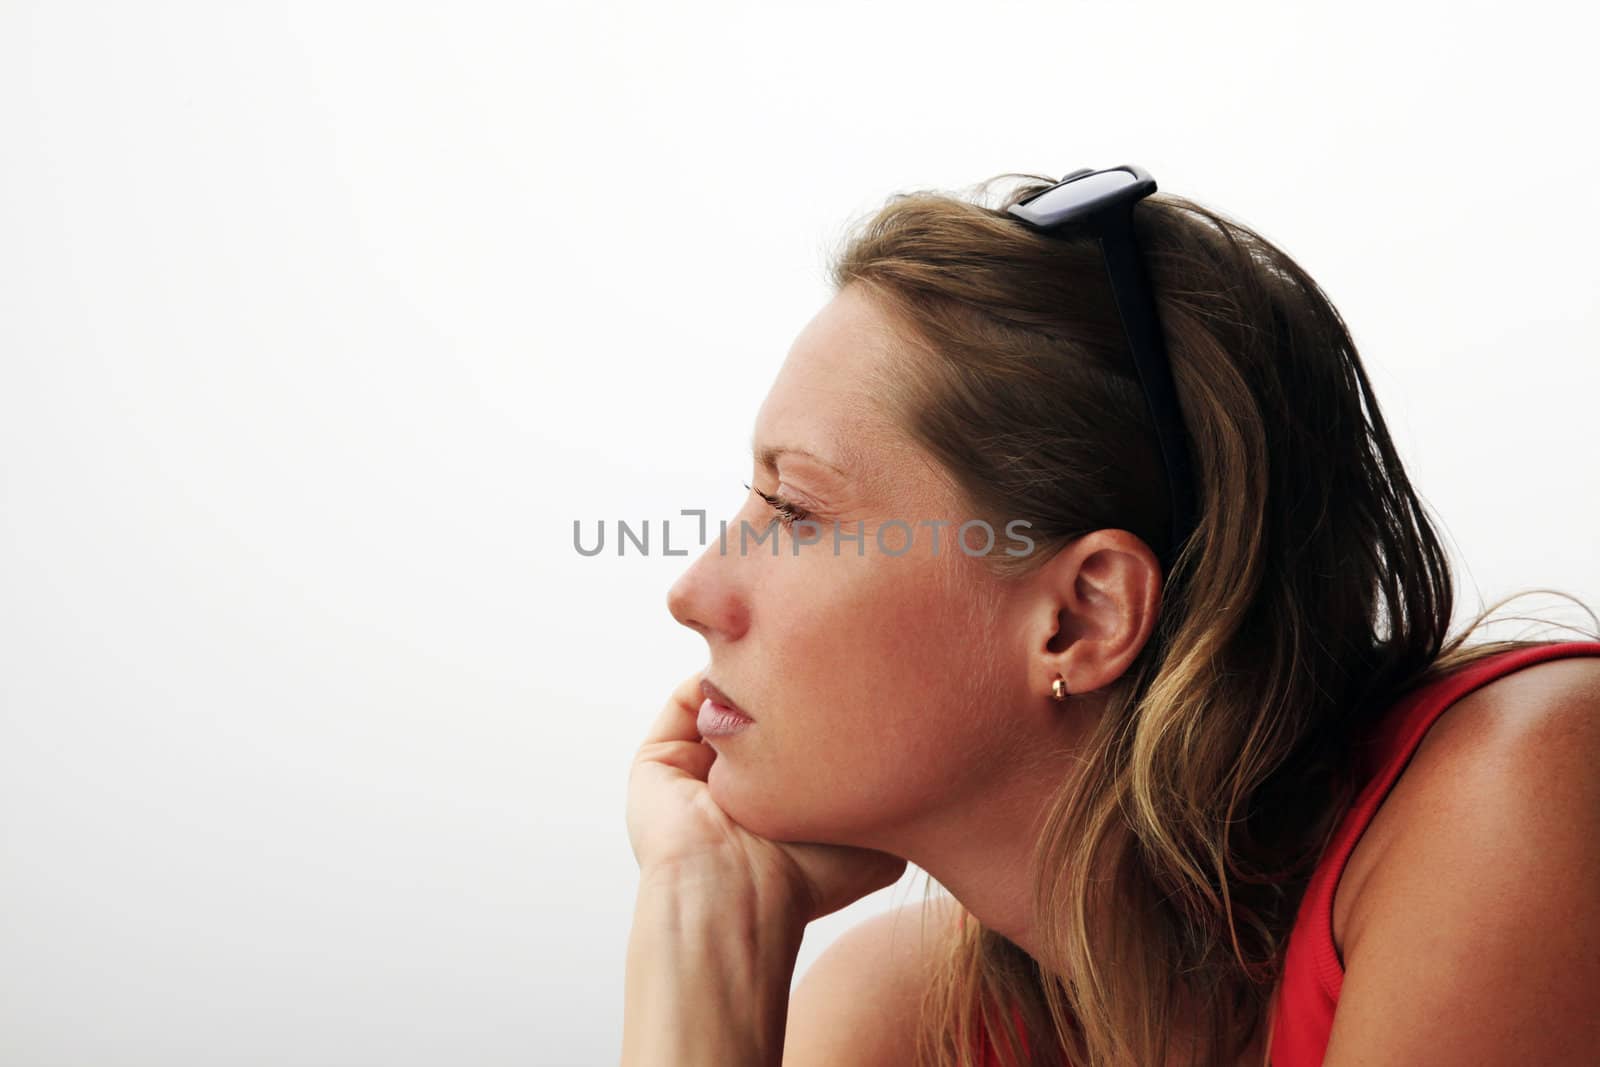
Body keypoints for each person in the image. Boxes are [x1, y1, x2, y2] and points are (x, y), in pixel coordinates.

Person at [620, 171, 1600, 1066]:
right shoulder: (903, 1020)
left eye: (793, 510)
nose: (692, 593)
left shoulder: (1520, 790)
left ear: (1083, 614)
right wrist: (697, 944)